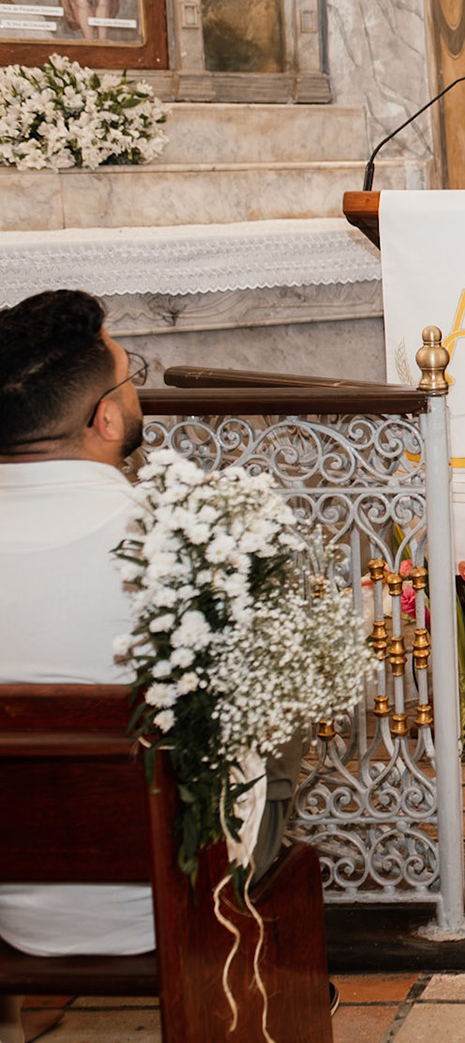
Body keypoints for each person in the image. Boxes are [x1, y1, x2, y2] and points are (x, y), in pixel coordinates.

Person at [0, 291, 311, 1043]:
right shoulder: (180, 540)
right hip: (165, 894)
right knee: (283, 715)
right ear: (104, 419)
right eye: (128, 372)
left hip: (13, 905)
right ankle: (263, 975)